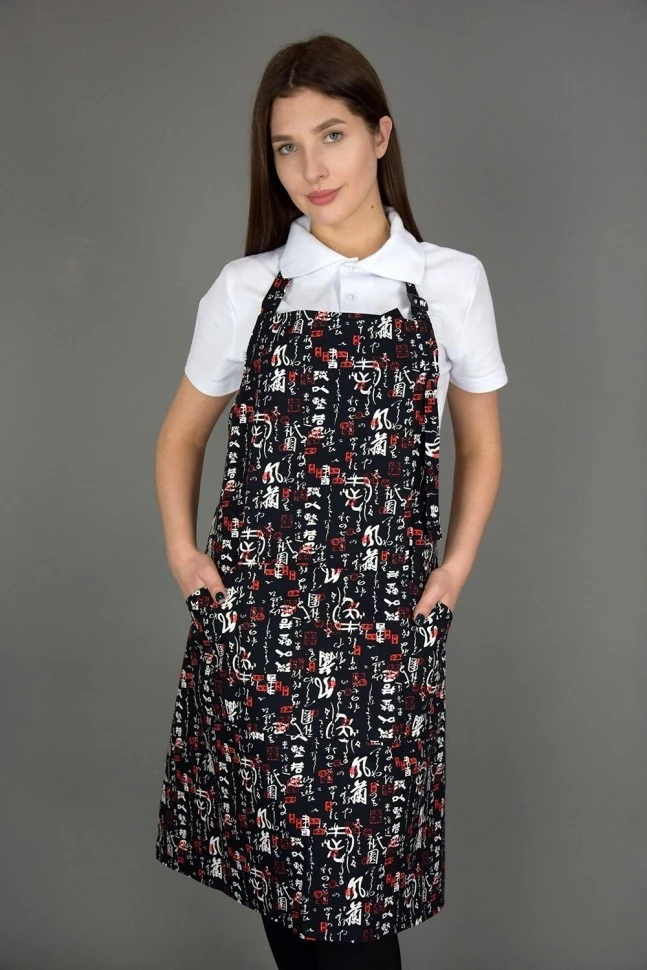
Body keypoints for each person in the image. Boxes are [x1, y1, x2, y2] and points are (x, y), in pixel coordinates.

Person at [154, 32, 508, 970]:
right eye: (287, 147)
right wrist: (185, 557)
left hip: (384, 638)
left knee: (356, 911)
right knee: (289, 897)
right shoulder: (246, 290)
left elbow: (480, 443)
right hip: (261, 637)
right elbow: (181, 436)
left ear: (380, 135)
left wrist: (452, 572)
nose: (311, 168)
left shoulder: (448, 282)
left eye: (333, 135)